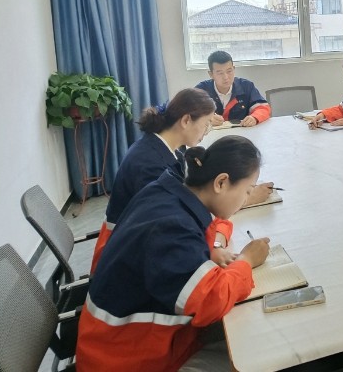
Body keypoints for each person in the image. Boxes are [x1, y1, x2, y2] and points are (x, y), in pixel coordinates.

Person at [76, 135, 270, 372]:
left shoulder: (170, 192)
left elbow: (209, 225)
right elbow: (210, 301)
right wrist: (246, 260)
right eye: (247, 191)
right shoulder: (172, 229)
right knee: (257, 353)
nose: (246, 199)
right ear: (221, 183)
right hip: (128, 360)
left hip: (131, 341)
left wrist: (216, 244)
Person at [90, 88, 272, 273]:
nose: (207, 131)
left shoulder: (168, 151)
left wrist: (215, 241)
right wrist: (247, 201)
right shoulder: (151, 166)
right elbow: (168, 228)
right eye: (206, 124)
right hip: (124, 260)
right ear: (186, 121)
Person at [196, 50, 271, 127]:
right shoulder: (201, 91)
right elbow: (191, 114)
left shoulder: (246, 86)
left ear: (234, 69)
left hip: (241, 132)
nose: (226, 77)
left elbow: (263, 107)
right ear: (211, 74)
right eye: (220, 73)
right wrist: (207, 119)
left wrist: (254, 117)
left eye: (229, 71)